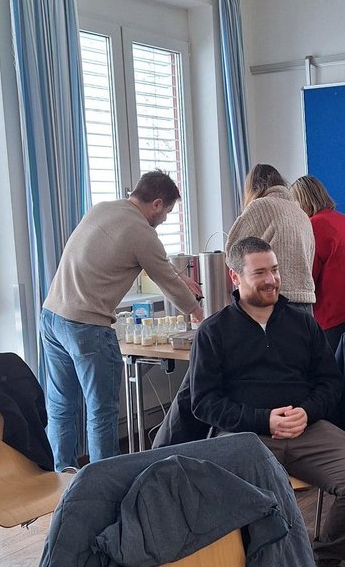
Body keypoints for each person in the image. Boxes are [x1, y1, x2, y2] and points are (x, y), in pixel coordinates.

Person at [155, 237, 345, 567]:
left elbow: (330, 384)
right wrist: (263, 419)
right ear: (235, 277)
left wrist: (307, 412)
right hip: (244, 437)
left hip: (307, 430)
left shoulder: (304, 323)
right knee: (239, 492)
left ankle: (320, 559)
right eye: (260, 272)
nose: (271, 279)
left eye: (274, 270)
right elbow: (204, 403)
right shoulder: (213, 331)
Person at [41, 169, 203, 472]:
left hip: (52, 317)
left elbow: (155, 262)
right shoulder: (142, 231)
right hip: (87, 326)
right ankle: (104, 486)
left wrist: (181, 277)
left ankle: (63, 481)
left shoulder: (103, 209)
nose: (164, 219)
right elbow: (166, 281)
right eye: (167, 212)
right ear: (156, 204)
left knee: (61, 407)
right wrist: (201, 316)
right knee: (101, 413)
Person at [290, 175, 345, 350]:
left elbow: (308, 275)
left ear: (302, 201)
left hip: (334, 313)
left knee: (332, 365)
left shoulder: (314, 225)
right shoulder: (343, 219)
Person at [227, 163, 316, 313]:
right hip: (306, 303)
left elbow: (233, 252)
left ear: (253, 187)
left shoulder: (259, 206)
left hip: (273, 299)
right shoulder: (301, 213)